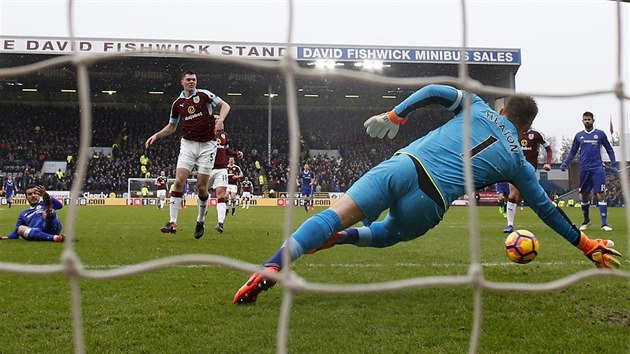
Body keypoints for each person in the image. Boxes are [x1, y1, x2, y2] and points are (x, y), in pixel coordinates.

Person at [233, 84, 622, 305]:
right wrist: (585, 244)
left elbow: (435, 90)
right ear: (526, 127)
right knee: (387, 235)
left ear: (503, 108)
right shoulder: (519, 162)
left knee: (334, 213)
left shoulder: (478, 105)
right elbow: (547, 211)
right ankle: (341, 239)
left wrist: (396, 115)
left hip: (404, 165)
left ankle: (273, 264)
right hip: (431, 202)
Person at [144, 70, 230, 238]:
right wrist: (157, 135)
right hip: (188, 145)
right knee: (178, 181)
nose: (192, 82)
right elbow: (172, 126)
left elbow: (225, 105)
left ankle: (200, 220)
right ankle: (172, 222)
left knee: (201, 188)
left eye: (194, 79)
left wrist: (220, 120)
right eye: (189, 80)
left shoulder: (205, 95)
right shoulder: (178, 104)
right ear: (182, 82)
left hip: (207, 146)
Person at [560, 111, 618, 231]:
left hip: (597, 168)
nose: (587, 121)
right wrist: (566, 163)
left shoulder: (600, 134)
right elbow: (572, 152)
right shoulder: (578, 136)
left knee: (600, 193)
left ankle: (604, 224)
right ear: (582, 121)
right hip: (584, 169)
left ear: (593, 120)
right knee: (585, 195)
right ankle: (586, 221)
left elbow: (610, 150)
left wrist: (614, 165)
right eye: (585, 119)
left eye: (589, 119)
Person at [503, 126, 553, 233]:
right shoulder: (512, 133)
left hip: (530, 169)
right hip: (515, 167)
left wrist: (548, 163)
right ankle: (510, 225)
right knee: (513, 193)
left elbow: (548, 148)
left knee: (520, 196)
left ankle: (552, 213)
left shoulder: (536, 134)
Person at [208, 130, 243, 235]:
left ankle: (220, 223)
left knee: (222, 195)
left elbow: (226, 150)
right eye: (216, 119)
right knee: (202, 192)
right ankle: (201, 218)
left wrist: (236, 154)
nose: (218, 121)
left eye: (219, 119)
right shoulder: (206, 132)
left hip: (221, 170)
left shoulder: (224, 136)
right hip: (208, 168)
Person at [0, 185, 64, 242]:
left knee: (47, 213)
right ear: (26, 197)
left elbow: (59, 206)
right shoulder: (23, 213)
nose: (33, 195)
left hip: (51, 225)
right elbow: (16, 232)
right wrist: (5, 237)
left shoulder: (43, 203)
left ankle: (49, 210)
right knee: (20, 229)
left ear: (39, 194)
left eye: (35, 193)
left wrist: (45, 194)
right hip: (37, 230)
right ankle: (55, 238)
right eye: (30, 194)